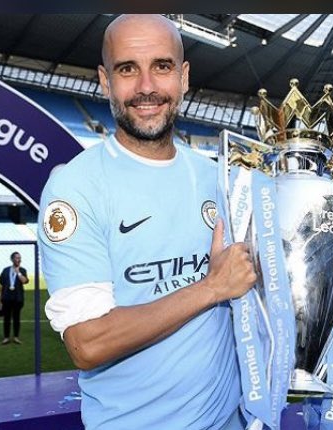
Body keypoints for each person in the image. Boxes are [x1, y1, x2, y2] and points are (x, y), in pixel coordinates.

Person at [37, 14, 256, 430]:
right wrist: (210, 287)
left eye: (162, 66)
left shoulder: (220, 178)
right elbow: (87, 342)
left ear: (184, 77)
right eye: (127, 69)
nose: (146, 87)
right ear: (105, 81)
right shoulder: (75, 188)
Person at [0, 251, 28, 345]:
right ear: (12, 259)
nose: (19, 260)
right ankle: (6, 337)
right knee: (6, 318)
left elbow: (24, 281)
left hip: (18, 299)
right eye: (17, 258)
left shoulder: (22, 270)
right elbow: (1, 286)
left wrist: (18, 273)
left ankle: (16, 337)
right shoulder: (6, 270)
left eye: (20, 258)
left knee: (16, 318)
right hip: (6, 298)